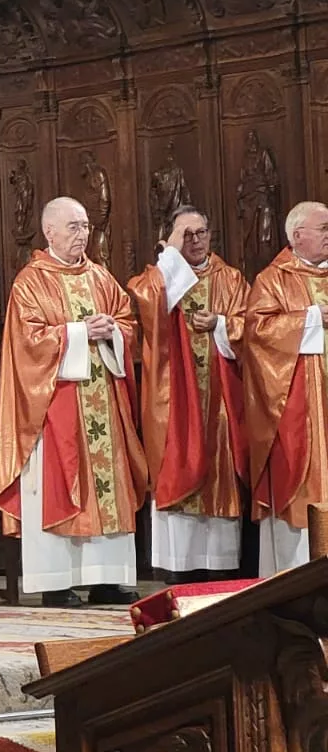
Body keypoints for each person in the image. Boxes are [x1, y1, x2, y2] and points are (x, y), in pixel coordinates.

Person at [0, 197, 146, 607]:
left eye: (86, 226)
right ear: (50, 233)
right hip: (55, 406)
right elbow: (27, 343)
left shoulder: (100, 276)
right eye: (74, 227)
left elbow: (128, 322)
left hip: (103, 404)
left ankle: (107, 578)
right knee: (58, 484)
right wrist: (79, 333)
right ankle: (57, 581)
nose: (83, 234)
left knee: (107, 486)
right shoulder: (31, 282)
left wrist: (112, 329)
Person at [127, 207, 248, 583]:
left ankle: (221, 565)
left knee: (218, 467)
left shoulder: (230, 279)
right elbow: (147, 304)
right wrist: (171, 258)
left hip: (221, 400)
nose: (196, 241)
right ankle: (178, 568)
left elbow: (254, 327)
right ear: (173, 239)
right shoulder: (157, 278)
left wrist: (222, 325)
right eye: (186, 235)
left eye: (201, 233)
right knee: (177, 459)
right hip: (173, 399)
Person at [244, 200, 328, 575]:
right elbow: (257, 333)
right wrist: (311, 318)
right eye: (323, 229)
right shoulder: (273, 280)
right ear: (298, 236)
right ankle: (295, 575)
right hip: (297, 409)